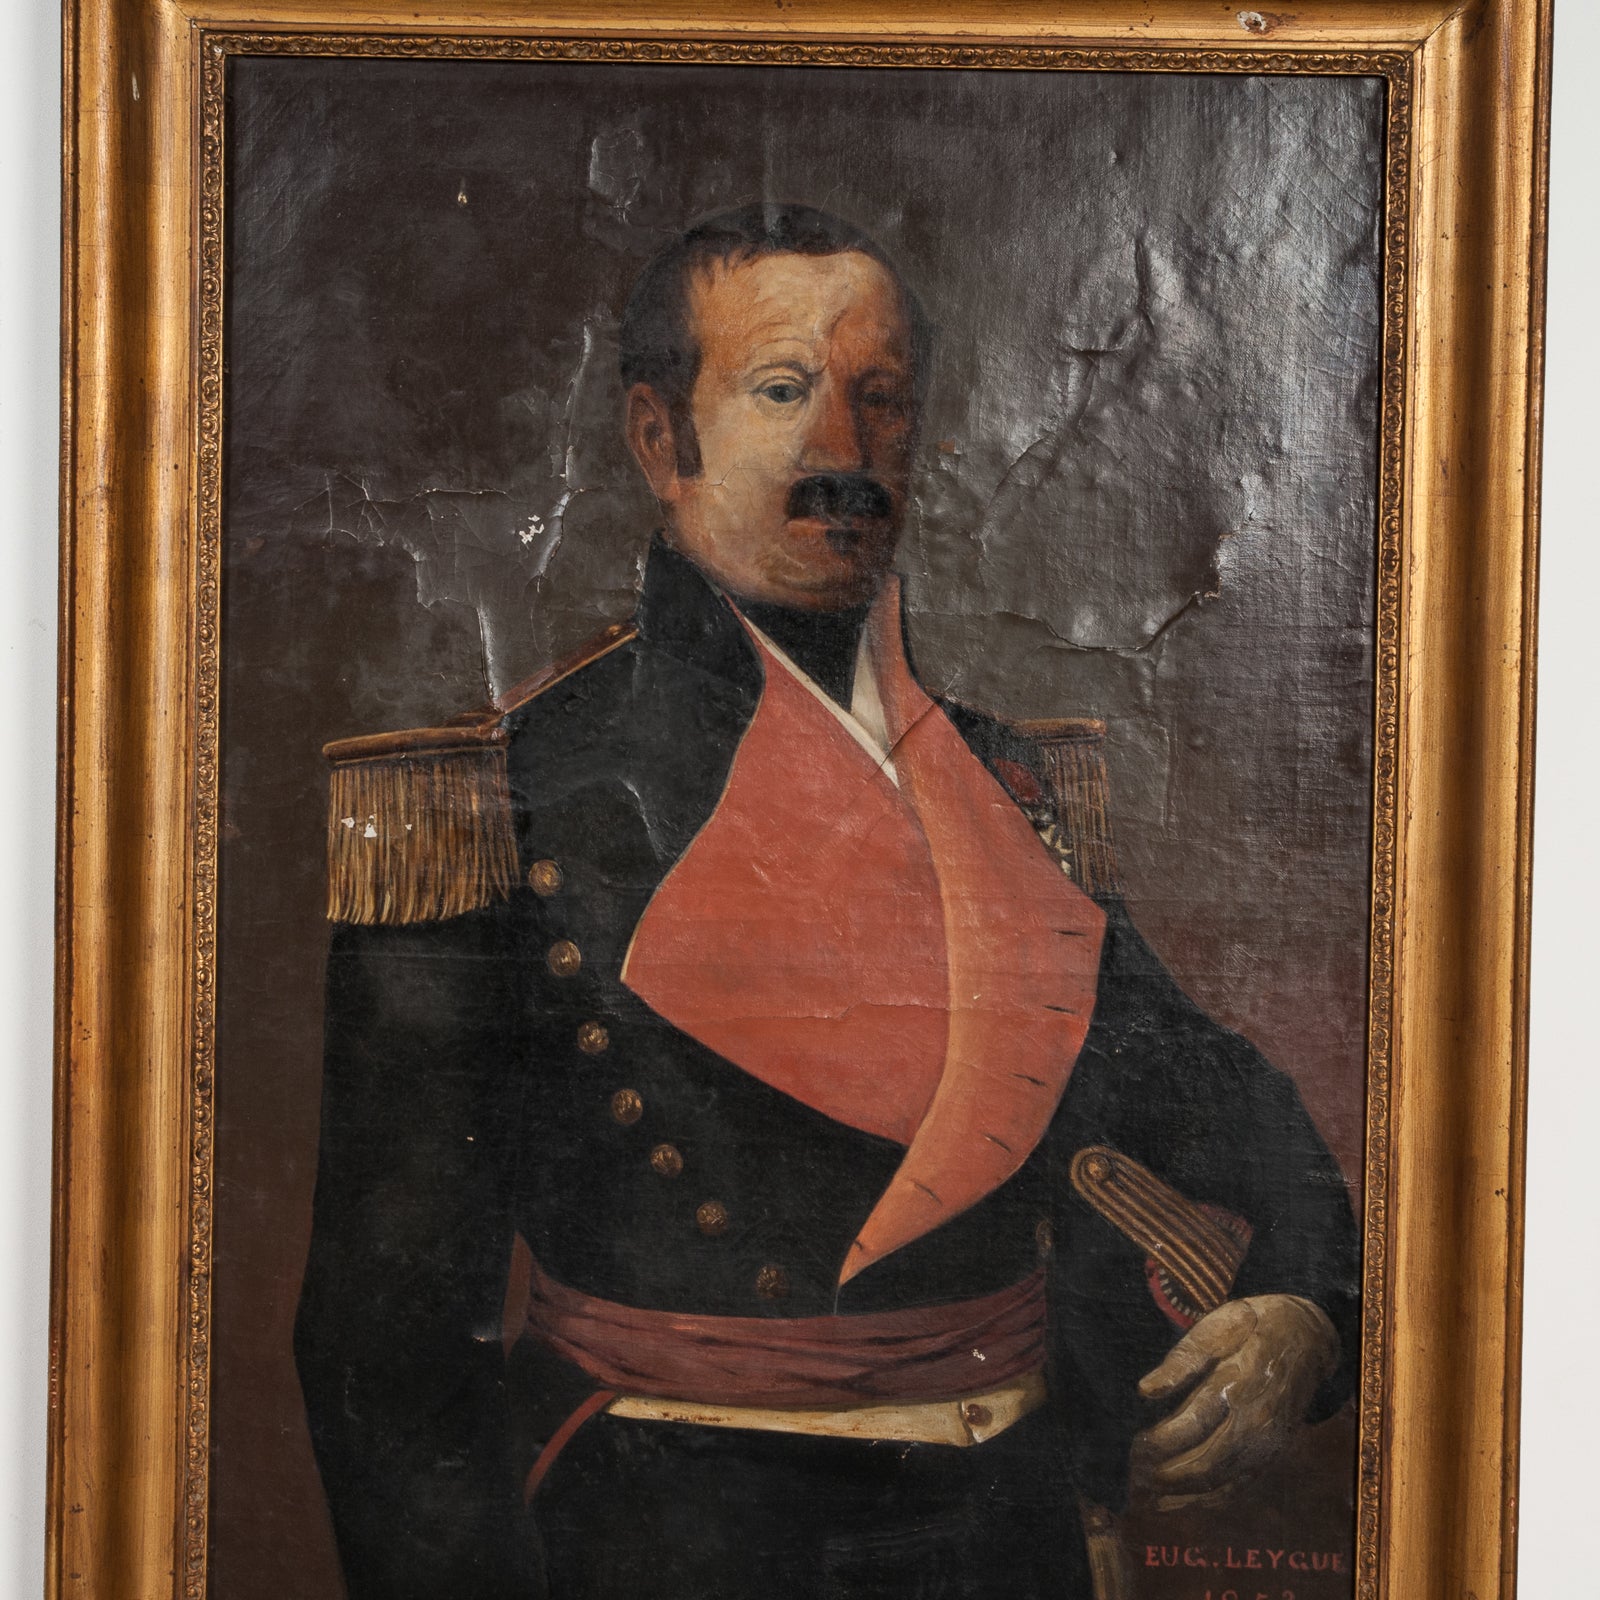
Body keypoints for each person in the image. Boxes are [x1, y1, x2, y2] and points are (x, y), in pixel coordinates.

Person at [295, 203, 1360, 1600]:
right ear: (658, 440)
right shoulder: (500, 812)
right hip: (671, 1546)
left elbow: (1215, 1096)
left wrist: (1302, 1307)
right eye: (785, 393)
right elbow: (387, 1354)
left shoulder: (1005, 788)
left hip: (1010, 1536)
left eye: (882, 402)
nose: (843, 457)